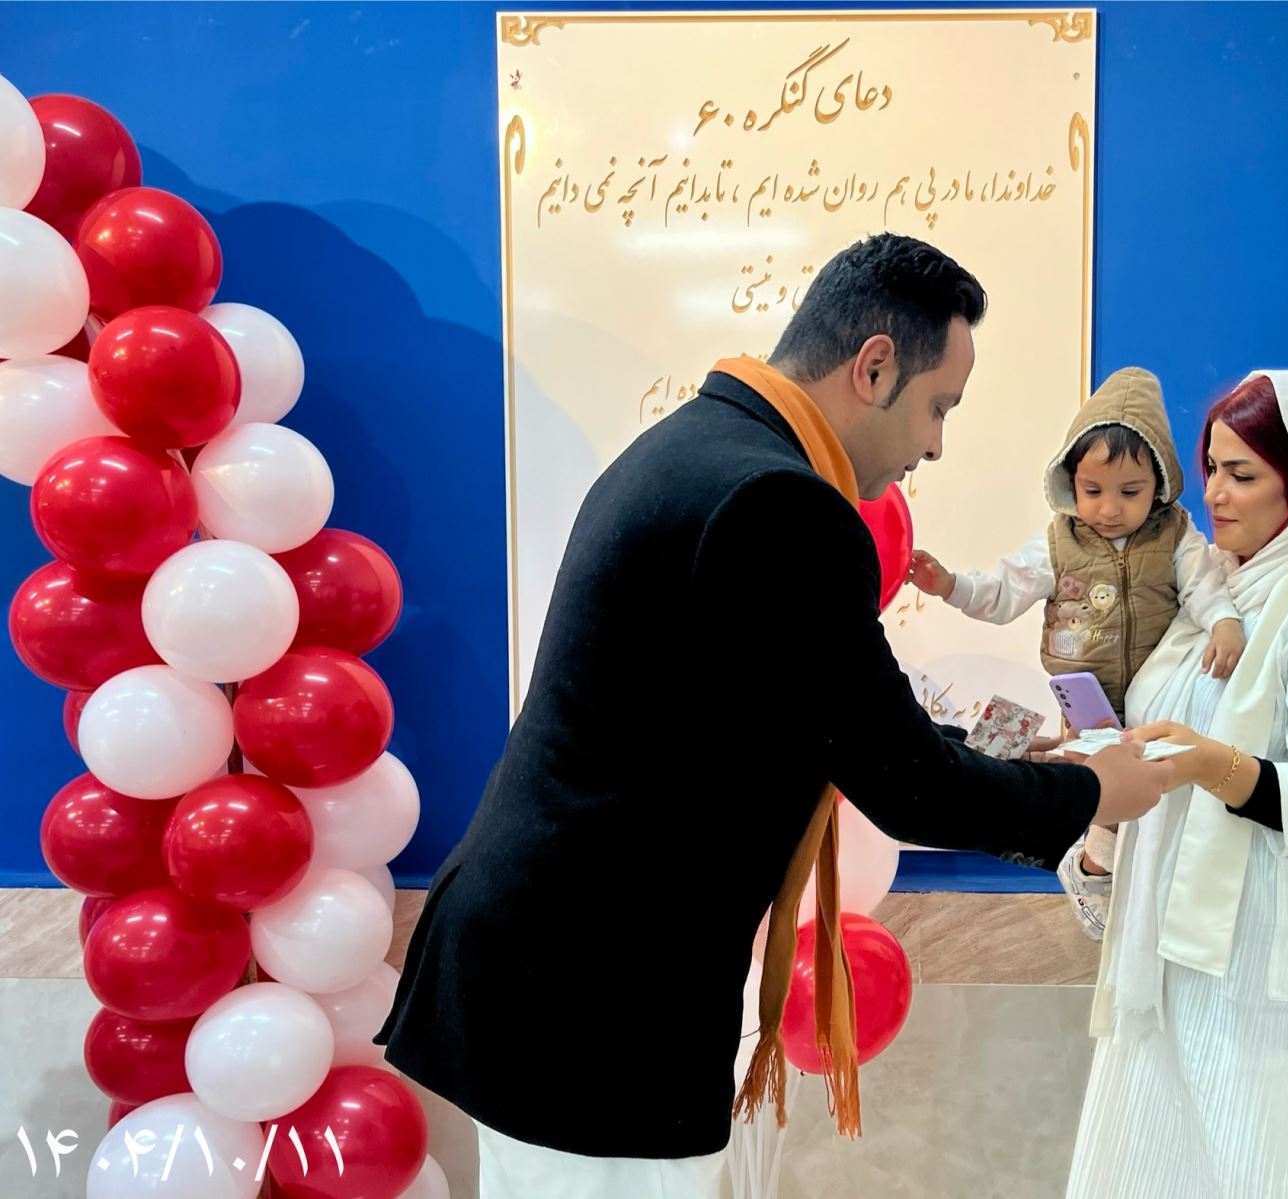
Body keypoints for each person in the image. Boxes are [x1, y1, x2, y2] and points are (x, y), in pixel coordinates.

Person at [376, 233, 1184, 1199]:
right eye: (939, 406)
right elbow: (904, 783)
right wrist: (1091, 793)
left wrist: (1012, 759)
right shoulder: (779, 504)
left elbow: (830, 715)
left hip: (545, 968)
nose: (935, 445)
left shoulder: (700, 446)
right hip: (594, 993)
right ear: (873, 367)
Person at [1063, 370, 1288, 1198]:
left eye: (1242, 473)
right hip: (1165, 961)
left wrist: (1207, 764)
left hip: (1259, 980)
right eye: (1211, 468)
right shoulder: (1215, 597)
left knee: (1246, 1172)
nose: (1214, 493)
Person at [908, 366, 1245, 940]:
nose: (1109, 509)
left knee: (1148, 791)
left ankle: (1112, 879)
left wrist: (1225, 622)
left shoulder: (1174, 535)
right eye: (1092, 491)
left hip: (1156, 692)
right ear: (1071, 483)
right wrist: (951, 586)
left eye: (1129, 493)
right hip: (1084, 700)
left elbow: (1204, 585)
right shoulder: (1059, 541)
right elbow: (1004, 591)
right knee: (1092, 784)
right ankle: (1092, 874)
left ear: (1159, 483)